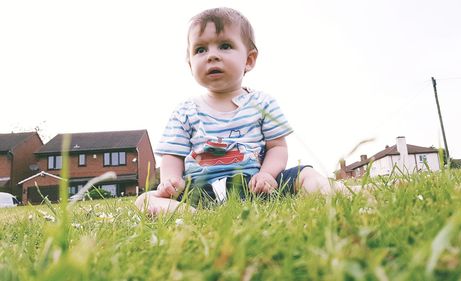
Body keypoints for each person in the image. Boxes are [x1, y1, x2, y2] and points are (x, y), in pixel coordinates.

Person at [135, 7, 336, 214]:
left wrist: (267, 174)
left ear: (249, 60)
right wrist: (171, 180)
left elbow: (277, 147)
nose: (211, 56)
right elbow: (172, 155)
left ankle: (338, 193)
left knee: (306, 174)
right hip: (199, 191)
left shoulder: (262, 103)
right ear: (190, 64)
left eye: (224, 46)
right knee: (145, 200)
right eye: (200, 50)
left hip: (255, 186)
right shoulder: (184, 111)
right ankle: (192, 215)